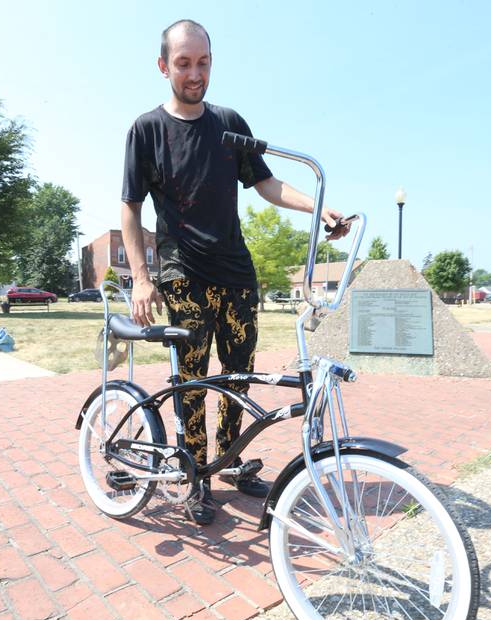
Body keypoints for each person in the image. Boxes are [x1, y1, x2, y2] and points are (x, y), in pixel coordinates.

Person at [120, 19, 346, 525]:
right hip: (181, 270)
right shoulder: (147, 129)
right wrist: (140, 275)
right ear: (164, 67)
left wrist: (319, 207)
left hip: (235, 272)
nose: (194, 73)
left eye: (203, 62)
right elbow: (130, 208)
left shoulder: (229, 124)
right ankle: (193, 472)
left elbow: (266, 184)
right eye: (183, 63)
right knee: (193, 377)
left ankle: (231, 460)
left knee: (239, 375)